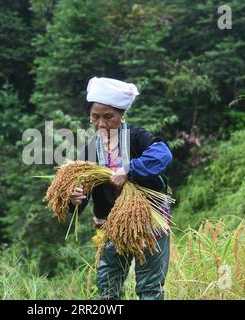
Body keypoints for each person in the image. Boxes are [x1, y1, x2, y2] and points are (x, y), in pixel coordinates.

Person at [68, 77, 173, 300]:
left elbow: (163, 155)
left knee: (149, 287)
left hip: (150, 221)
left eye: (109, 117)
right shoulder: (89, 151)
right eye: (95, 117)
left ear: (121, 115)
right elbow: (80, 192)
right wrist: (75, 198)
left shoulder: (136, 137)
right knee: (108, 285)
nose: (101, 123)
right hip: (111, 225)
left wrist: (129, 170)